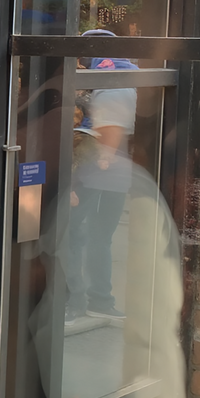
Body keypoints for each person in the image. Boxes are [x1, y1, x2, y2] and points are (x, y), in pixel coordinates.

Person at [66, 28, 138, 323]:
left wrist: (102, 159)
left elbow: (111, 127)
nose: (81, 63)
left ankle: (75, 300)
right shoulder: (129, 74)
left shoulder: (108, 77)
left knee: (71, 233)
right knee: (101, 238)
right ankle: (101, 299)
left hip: (98, 172)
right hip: (120, 174)